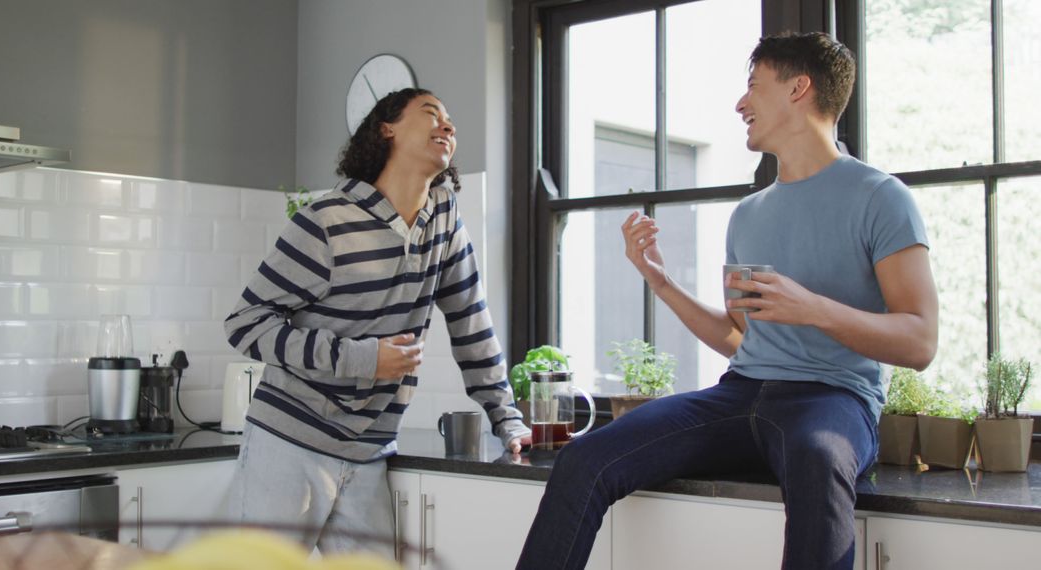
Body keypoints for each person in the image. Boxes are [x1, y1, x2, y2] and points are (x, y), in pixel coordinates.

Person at [516, 31, 938, 570]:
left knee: (818, 455)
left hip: (833, 399)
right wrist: (660, 281)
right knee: (585, 458)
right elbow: (738, 336)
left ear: (798, 89)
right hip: (740, 396)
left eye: (753, 87)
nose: (741, 104)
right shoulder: (750, 213)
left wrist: (811, 308)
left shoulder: (882, 198)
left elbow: (920, 341)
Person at [223, 87, 532, 556]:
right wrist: (364, 360)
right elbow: (245, 322)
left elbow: (472, 326)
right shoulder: (326, 221)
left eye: (450, 121)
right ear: (386, 129)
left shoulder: (444, 220)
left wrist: (507, 420)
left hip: (369, 452)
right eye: (431, 114)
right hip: (290, 441)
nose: (447, 126)